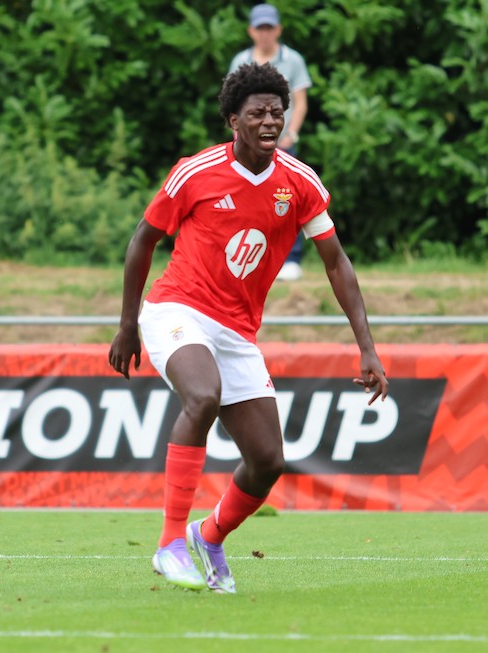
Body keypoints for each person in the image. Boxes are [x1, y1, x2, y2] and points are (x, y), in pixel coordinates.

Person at [107, 63, 388, 593]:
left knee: (267, 461)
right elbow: (143, 240)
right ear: (233, 118)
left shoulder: (299, 182)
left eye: (276, 112)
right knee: (203, 396)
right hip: (176, 310)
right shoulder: (196, 171)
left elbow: (336, 263)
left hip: (236, 332)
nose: (268, 120)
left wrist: (367, 348)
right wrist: (127, 325)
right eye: (256, 111)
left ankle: (207, 537)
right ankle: (169, 545)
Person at [229, 3, 311, 281]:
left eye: (270, 28)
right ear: (252, 31)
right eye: (260, 28)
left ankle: (291, 258)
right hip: (248, 145)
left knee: (288, 199)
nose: (265, 33)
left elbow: (300, 104)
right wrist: (238, 138)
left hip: (282, 142)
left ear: (278, 30)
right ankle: (249, 257)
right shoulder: (241, 60)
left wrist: (291, 134)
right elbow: (233, 105)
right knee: (246, 200)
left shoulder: (293, 60)